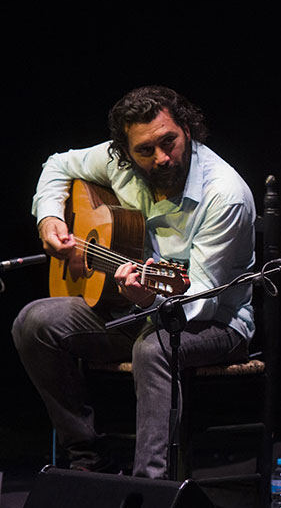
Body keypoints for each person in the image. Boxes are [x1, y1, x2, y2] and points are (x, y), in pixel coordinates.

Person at [12, 86, 256, 479]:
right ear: (125, 152)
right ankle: (88, 458)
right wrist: (50, 218)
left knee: (153, 346)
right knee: (33, 322)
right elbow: (58, 165)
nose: (161, 158)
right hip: (134, 310)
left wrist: (146, 300)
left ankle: (149, 484)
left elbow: (202, 299)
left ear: (188, 131)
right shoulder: (118, 165)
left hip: (215, 323)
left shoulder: (224, 195)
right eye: (145, 150)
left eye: (169, 142)